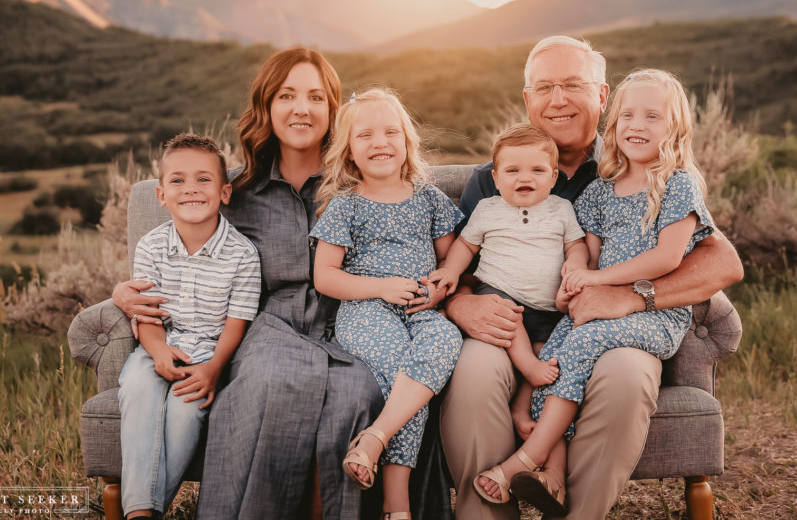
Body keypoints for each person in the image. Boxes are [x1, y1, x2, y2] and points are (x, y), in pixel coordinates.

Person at [440, 36, 744, 519]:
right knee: (474, 374)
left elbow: (723, 263)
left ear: (603, 97)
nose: (557, 99)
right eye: (544, 88)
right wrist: (460, 306)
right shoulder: (493, 177)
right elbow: (455, 262)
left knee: (624, 375)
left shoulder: (631, 165)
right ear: (528, 100)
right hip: (509, 329)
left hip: (612, 331)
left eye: (573, 85)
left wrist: (633, 297)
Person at [112, 48, 416, 520]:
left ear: (333, 110)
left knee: (356, 396)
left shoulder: (362, 186)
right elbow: (178, 251)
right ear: (266, 107)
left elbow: (422, 245)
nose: (301, 108)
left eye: (316, 97)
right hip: (268, 332)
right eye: (287, 95)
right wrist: (120, 293)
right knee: (273, 380)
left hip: (348, 334)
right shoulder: (234, 191)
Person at [310, 88, 464, 520]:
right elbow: (326, 277)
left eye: (390, 132)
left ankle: (375, 438)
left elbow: (452, 259)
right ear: (349, 151)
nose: (380, 142)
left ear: (407, 141)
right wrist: (380, 287)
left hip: (423, 311)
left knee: (443, 342)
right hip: (367, 311)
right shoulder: (346, 205)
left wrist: (441, 286)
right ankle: (397, 505)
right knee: (404, 370)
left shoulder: (429, 197)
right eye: (365, 135)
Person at [117, 134, 262, 519]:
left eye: (203, 179)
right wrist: (159, 351)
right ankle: (141, 512)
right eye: (178, 181)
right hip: (160, 344)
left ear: (225, 192)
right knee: (137, 386)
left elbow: (238, 321)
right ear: (162, 195)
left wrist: (213, 369)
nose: (191, 189)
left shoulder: (243, 254)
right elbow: (146, 314)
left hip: (210, 354)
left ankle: (144, 510)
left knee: (185, 410)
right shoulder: (151, 247)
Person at [427, 124, 587, 442]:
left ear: (553, 177)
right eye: (512, 170)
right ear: (496, 179)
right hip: (499, 292)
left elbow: (576, 245)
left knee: (548, 353)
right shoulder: (488, 210)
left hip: (547, 307)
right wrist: (451, 271)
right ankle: (526, 365)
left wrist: (578, 264)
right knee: (513, 326)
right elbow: (465, 246)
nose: (524, 178)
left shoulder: (561, 210)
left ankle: (521, 407)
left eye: (537, 170)